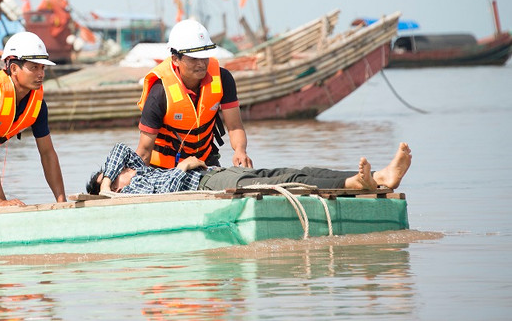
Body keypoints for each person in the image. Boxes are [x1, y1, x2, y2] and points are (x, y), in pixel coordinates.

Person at [0, 31, 67, 207]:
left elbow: (47, 153)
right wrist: (1, 201)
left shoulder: (38, 105)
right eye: (34, 67)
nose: (40, 74)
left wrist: (61, 200)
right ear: (13, 68)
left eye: (42, 68)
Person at [134, 19, 251, 170]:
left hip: (205, 163)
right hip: (165, 170)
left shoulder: (223, 79)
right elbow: (144, 151)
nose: (201, 64)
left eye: (204, 57)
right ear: (176, 59)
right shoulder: (160, 92)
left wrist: (240, 151)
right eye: (194, 58)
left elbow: (235, 126)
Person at [87, 142, 412, 195]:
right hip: (205, 185)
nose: (130, 169)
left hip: (210, 174)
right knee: (284, 181)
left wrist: (104, 178)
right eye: (121, 173)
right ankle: (357, 182)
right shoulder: (131, 190)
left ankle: (373, 178)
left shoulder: (137, 172)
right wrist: (182, 167)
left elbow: (120, 150)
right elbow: (165, 190)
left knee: (290, 171)